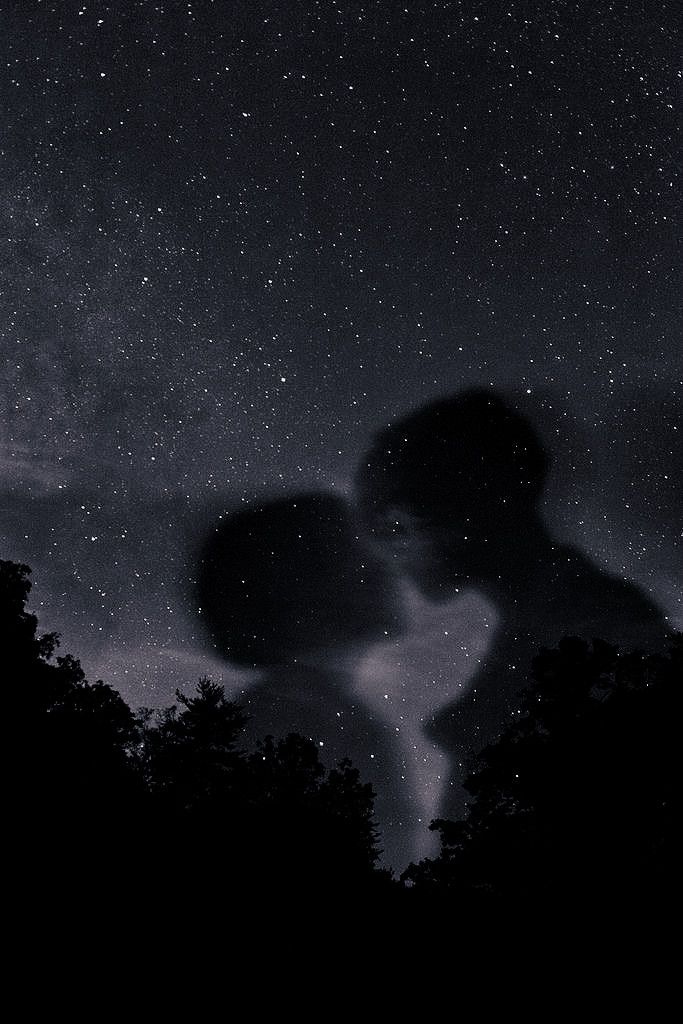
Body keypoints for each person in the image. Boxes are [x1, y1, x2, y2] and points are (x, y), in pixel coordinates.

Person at [356, 388, 672, 823]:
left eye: (395, 523)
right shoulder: (552, 616)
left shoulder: (594, 623)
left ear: (464, 509)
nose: (387, 550)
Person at [196, 492, 413, 868]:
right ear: (307, 593)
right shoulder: (312, 728)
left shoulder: (284, 715)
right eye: (357, 554)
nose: (385, 564)